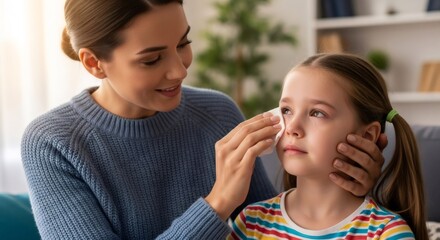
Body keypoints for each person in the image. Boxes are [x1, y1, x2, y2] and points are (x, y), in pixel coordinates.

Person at [20, 1, 387, 239]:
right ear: (93, 62)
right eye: (152, 59)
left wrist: (347, 187)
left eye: (183, 43)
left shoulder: (218, 112)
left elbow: (272, 226)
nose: (179, 71)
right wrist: (216, 204)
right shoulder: (52, 143)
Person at [228, 53, 429, 239]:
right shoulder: (251, 223)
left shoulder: (386, 233)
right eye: (287, 110)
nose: (293, 127)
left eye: (317, 113)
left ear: (367, 135)